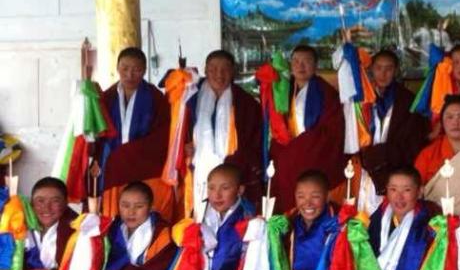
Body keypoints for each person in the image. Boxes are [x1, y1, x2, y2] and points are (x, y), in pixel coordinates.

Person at [96, 47, 174, 220]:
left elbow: (163, 134)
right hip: (114, 170)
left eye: (136, 69)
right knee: (115, 217)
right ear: (117, 68)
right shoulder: (106, 98)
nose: (129, 74)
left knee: (146, 214)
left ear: (144, 70)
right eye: (125, 68)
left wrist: (128, 154)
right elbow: (97, 134)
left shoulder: (156, 98)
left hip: (145, 167)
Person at [268, 45, 346, 214]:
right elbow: (274, 127)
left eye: (307, 61)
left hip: (313, 161)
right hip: (286, 165)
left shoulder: (327, 94)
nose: (301, 66)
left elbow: (332, 133)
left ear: (316, 65)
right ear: (290, 65)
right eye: (296, 61)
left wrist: (298, 147)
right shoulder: (283, 92)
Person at [185, 50, 263, 217]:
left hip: (234, 171)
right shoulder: (190, 99)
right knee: (199, 219)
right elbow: (179, 134)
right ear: (205, 71)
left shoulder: (246, 103)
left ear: (233, 72)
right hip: (198, 173)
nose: (219, 75)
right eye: (213, 69)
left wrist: (235, 163)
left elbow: (254, 140)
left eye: (225, 69)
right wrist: (186, 146)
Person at [359, 50, 428, 205]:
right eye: (378, 68)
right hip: (365, 172)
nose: (383, 74)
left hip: (396, 171)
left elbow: (413, 142)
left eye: (388, 69)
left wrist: (381, 153)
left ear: (395, 71)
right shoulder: (363, 99)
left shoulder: (408, 100)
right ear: (371, 70)